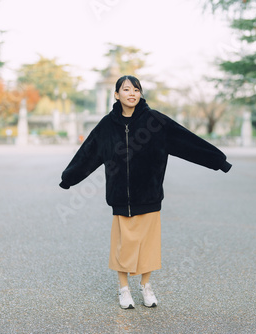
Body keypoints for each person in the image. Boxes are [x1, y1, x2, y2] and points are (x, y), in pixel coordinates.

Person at [59, 75, 232, 309]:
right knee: (123, 246)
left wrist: (218, 161)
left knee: (148, 246)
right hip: (120, 197)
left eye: (136, 89)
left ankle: (146, 286)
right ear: (116, 94)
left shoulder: (155, 122)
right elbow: (87, 154)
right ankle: (123, 290)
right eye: (126, 89)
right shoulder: (107, 126)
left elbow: (188, 142)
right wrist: (69, 178)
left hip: (149, 195)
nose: (132, 93)